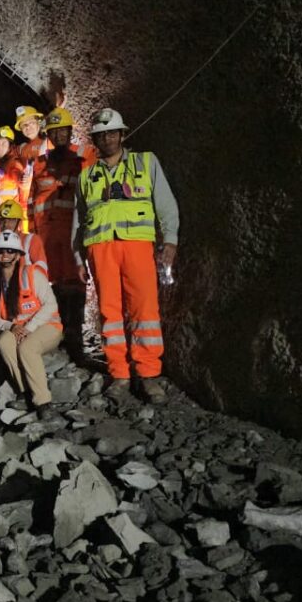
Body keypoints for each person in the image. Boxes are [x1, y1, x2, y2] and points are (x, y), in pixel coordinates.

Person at [75, 108, 179, 404]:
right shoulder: (87, 176)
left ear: (122, 134)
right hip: (100, 249)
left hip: (137, 246)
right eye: (101, 135)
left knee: (144, 311)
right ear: (95, 140)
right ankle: (119, 373)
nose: (107, 138)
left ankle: (148, 375)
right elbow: (79, 219)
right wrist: (77, 256)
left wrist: (169, 240)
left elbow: (166, 204)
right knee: (109, 313)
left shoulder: (145, 162)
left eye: (111, 133)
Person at [30, 107, 98, 354]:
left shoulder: (84, 156)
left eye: (62, 130)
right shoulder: (39, 163)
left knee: (75, 280)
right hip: (45, 233)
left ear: (70, 131)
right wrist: (31, 234)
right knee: (52, 281)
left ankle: (75, 335)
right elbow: (31, 199)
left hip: (72, 230)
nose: (58, 135)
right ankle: (56, 332)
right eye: (54, 131)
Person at [0, 230, 63, 419]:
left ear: (18, 255)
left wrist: (28, 328)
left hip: (47, 326)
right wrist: (11, 327)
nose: (5, 255)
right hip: (17, 329)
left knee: (27, 348)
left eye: (10, 251)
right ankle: (24, 392)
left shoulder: (31, 274)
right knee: (5, 342)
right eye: (1, 251)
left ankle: (42, 401)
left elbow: (51, 304)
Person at [0, 200, 48, 274]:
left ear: (19, 223)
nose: (6, 224)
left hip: (26, 285)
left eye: (11, 220)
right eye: (2, 220)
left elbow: (42, 270)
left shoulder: (31, 240)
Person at [0, 126, 30, 215]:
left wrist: (22, 180)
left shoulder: (13, 163)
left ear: (10, 147)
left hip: (9, 214)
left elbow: (17, 175)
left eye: (3, 143)